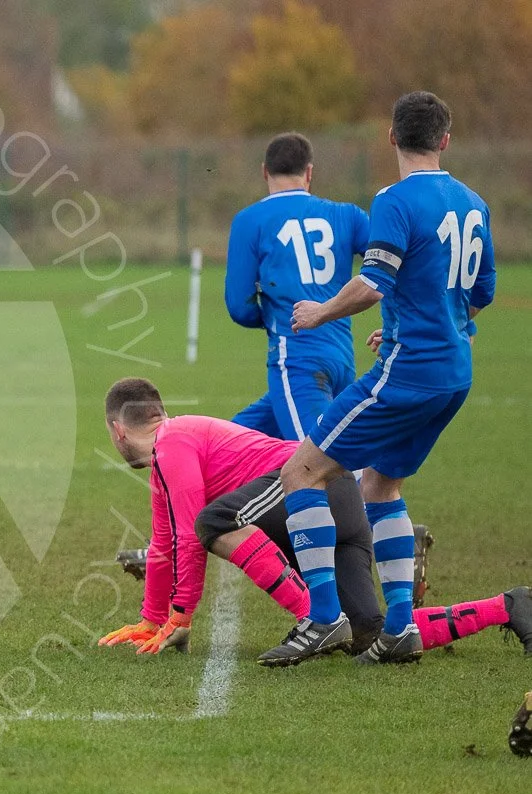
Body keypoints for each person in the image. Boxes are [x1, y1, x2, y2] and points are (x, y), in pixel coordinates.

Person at [268, 91, 496, 666]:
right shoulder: (473, 203)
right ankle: (399, 629)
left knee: (301, 472)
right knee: (380, 485)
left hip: (408, 374)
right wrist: (418, 326)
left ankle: (324, 617)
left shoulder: (395, 200)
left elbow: (372, 284)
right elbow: (478, 293)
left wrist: (318, 312)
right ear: (445, 140)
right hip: (453, 374)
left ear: (392, 136)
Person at [95, 378, 531, 663]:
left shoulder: (171, 443)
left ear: (118, 429)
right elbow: (164, 543)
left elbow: (191, 537)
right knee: (375, 634)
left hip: (308, 489)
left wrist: (179, 618)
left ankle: (317, 618)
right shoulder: (168, 453)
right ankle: (508, 606)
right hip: (337, 496)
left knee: (213, 522)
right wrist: (152, 619)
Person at [225, 132, 370, 440]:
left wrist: (272, 317)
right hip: (341, 357)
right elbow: (393, 264)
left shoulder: (250, 220)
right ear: (309, 172)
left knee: (316, 461)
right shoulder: (348, 215)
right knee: (230, 443)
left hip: (297, 359)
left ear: (265, 171)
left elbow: (239, 306)